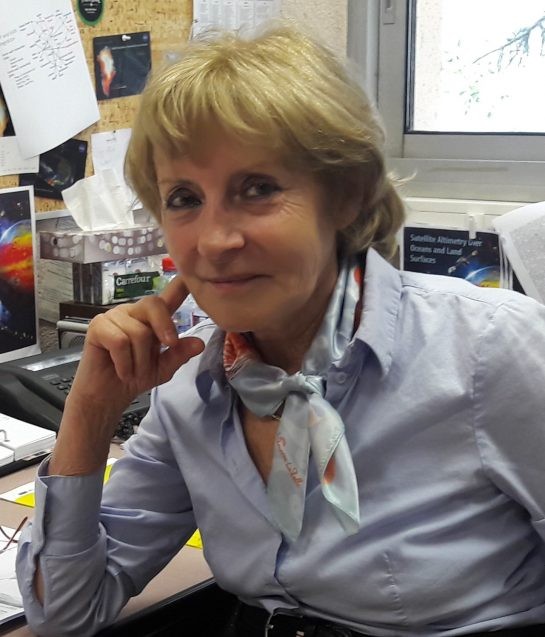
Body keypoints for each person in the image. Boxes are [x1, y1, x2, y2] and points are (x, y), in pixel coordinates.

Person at [16, 23, 545, 637]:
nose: (215, 241)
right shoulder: (193, 388)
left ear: (345, 196)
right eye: (184, 198)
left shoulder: (491, 350)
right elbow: (64, 613)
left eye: (258, 189)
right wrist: (89, 410)